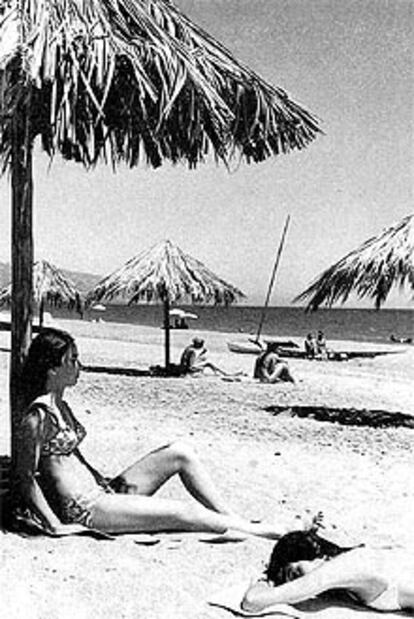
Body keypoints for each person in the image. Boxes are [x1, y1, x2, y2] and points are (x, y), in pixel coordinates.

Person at [11, 328, 286, 538]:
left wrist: (99, 479)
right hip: (85, 509)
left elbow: (71, 459)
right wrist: (56, 526)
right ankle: (266, 532)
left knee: (180, 452)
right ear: (52, 368)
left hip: (102, 492)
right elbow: (25, 478)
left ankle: (233, 520)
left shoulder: (62, 406)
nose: (79, 366)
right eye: (72, 360)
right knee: (183, 512)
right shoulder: (38, 416)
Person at [242, 528, 414, 613]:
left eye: (295, 574)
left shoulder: (348, 565)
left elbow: (253, 601)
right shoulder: (356, 562)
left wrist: (264, 580)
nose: (294, 583)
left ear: (320, 556)